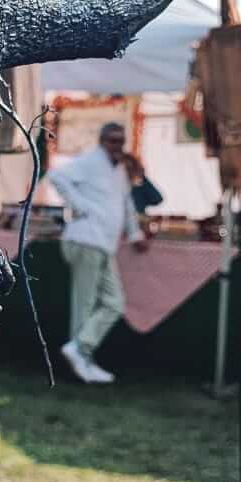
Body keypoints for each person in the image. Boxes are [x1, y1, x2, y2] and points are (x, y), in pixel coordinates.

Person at [48, 122, 149, 384]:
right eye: (112, 140)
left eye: (120, 140)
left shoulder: (120, 169)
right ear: (102, 140)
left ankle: (80, 349)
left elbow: (126, 205)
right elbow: (56, 176)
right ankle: (82, 361)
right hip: (85, 240)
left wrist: (136, 234)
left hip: (104, 243)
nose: (117, 145)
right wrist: (81, 207)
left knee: (114, 302)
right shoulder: (90, 161)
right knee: (84, 304)